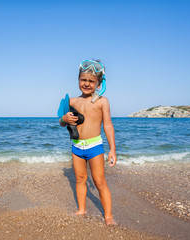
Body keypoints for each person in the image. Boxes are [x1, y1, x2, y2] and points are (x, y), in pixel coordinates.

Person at [59, 59, 117, 225]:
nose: (87, 83)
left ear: (99, 84)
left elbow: (108, 125)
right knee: (79, 179)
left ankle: (108, 216)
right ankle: (82, 209)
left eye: (91, 81)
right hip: (77, 146)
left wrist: (112, 149)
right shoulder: (72, 102)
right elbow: (62, 122)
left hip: (94, 146)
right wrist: (64, 119)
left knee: (99, 181)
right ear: (78, 80)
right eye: (83, 80)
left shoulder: (102, 102)